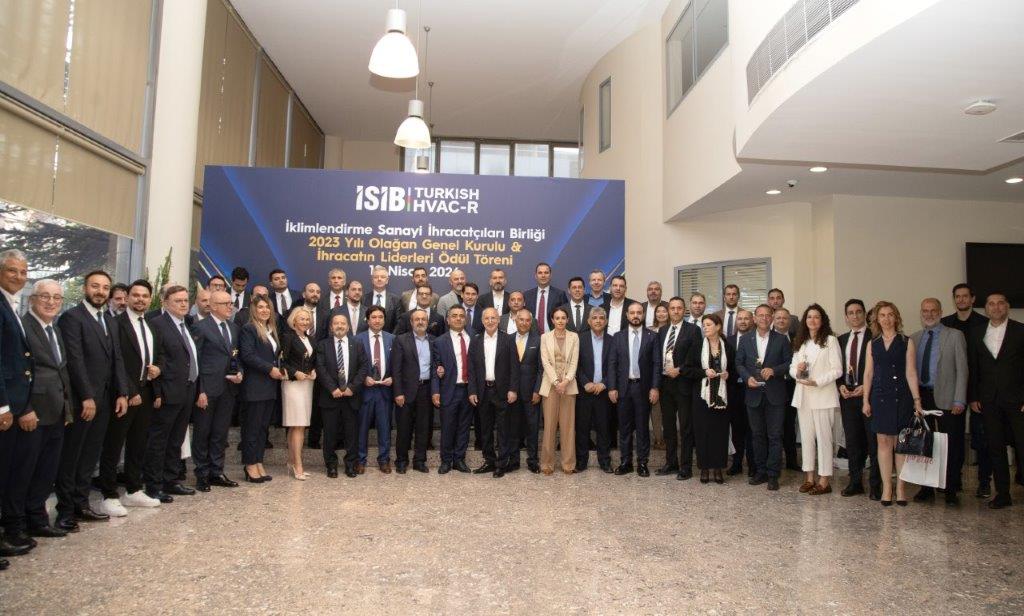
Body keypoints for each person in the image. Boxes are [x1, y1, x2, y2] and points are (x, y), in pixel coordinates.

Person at [55, 270, 129, 529]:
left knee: (89, 456)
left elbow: (116, 358)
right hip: (82, 402)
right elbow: (74, 361)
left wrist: (122, 392)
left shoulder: (108, 320)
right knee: (72, 456)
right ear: (85, 288)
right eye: (95, 286)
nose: (100, 291)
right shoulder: (72, 318)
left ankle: (81, 503)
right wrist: (86, 396)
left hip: (106, 400)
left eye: (105, 287)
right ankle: (65, 511)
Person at [3, 279, 72, 555]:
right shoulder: (23, 327)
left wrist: (67, 408)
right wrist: (25, 408)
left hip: (56, 412)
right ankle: (15, 526)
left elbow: (61, 370)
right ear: (32, 299)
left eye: (56, 298)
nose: (51, 302)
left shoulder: (55, 328)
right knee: (22, 473)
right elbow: (19, 372)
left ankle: (37, 519)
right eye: (45, 296)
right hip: (32, 413)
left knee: (45, 471)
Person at [98, 280, 163, 514]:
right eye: (136, 295)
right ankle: (108, 494)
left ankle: (133, 490)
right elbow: (115, 361)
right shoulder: (116, 324)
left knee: (138, 443)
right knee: (114, 444)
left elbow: (159, 355)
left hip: (147, 392)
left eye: (145, 296)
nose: (140, 299)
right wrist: (129, 391)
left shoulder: (151, 325)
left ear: (150, 299)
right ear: (127, 298)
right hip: (123, 395)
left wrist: (158, 369)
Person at [862, 301, 924, 507]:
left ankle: (901, 488)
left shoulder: (906, 342)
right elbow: (868, 374)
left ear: (896, 317)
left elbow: (911, 372)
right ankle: (887, 487)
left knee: (900, 444)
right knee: (883, 443)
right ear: (877, 319)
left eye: (890, 315)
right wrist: (865, 400)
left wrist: (917, 400)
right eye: (882, 315)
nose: (886, 319)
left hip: (902, 397)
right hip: (879, 397)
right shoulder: (873, 344)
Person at [967, 292, 1024, 509]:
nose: (996, 307)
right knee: (995, 447)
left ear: (1007, 306)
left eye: (1000, 303)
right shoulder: (976, 332)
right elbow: (973, 367)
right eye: (991, 304)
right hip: (988, 401)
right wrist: (973, 397)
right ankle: (1002, 494)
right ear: (986, 308)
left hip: (1017, 400)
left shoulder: (1020, 331)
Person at [910, 297, 968, 505]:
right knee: (925, 444)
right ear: (921, 313)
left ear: (941, 312)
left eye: (933, 310)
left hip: (948, 398)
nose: (929, 314)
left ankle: (950, 489)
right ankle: (926, 488)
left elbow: (962, 369)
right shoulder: (914, 338)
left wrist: (960, 399)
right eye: (925, 311)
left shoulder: (955, 335)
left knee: (951, 445)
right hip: (922, 398)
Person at [144, 285, 199, 501]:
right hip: (168, 390)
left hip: (187, 389)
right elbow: (156, 359)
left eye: (186, 300)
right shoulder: (157, 324)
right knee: (160, 440)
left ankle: (171, 480)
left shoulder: (187, 323)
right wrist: (157, 393)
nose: (183, 304)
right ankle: (154, 485)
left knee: (176, 440)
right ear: (165, 303)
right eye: (178, 301)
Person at [941, 283, 992, 499]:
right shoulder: (945, 323)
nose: (961, 300)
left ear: (972, 299)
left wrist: (976, 395)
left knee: (982, 438)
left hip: (978, 390)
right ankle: (955, 479)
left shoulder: (985, 323)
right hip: (952, 391)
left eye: (965, 296)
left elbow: (987, 361)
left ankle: (984, 482)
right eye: (957, 296)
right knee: (954, 438)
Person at [736, 304, 793, 491]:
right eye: (760, 315)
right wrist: (747, 378)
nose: (764, 318)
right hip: (753, 394)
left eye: (768, 315)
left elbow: (789, 363)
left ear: (772, 318)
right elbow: (739, 363)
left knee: (775, 436)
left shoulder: (781, 339)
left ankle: (773, 474)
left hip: (775, 395)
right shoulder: (745, 339)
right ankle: (760, 471)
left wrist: (774, 370)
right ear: (754, 318)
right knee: (757, 435)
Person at [0, 250, 34, 566]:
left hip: (17, 404)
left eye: (23, 272)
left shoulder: (10, 305)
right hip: (4, 408)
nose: (19, 277)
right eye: (12, 271)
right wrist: (3, 407)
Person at [790, 304, 843, 495]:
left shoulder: (830, 340)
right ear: (805, 320)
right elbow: (792, 367)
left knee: (824, 439)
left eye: (816, 317)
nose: (812, 320)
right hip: (804, 396)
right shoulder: (801, 342)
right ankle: (809, 478)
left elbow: (837, 370)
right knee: (806, 439)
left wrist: (817, 382)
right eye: (809, 317)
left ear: (822, 320)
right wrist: (797, 372)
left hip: (823, 395)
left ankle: (824, 480)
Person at [191, 289, 241, 491]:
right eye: (225, 304)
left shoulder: (233, 328)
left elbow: (235, 356)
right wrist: (200, 390)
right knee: (203, 432)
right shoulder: (200, 327)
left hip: (228, 389)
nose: (230, 307)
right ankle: (202, 474)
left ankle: (217, 471)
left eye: (230, 303)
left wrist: (240, 372)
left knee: (220, 433)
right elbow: (195, 361)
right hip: (207, 389)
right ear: (212, 306)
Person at [681, 313, 735, 484]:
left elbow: (735, 370)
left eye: (709, 325)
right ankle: (704, 468)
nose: (705, 328)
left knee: (720, 433)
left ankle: (718, 468)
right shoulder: (697, 346)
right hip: (701, 396)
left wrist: (728, 375)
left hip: (721, 396)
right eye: (703, 325)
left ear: (718, 327)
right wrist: (704, 372)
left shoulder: (728, 346)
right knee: (702, 432)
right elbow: (686, 370)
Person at [608, 302, 661, 477]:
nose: (636, 316)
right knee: (624, 427)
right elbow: (612, 364)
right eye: (632, 313)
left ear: (643, 315)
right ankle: (626, 462)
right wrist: (612, 387)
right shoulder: (618, 337)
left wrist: (655, 387)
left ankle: (643, 463)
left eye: (639, 312)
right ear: (627, 315)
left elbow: (656, 364)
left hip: (643, 388)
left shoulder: (652, 336)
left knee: (642, 428)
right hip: (623, 388)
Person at [238, 294, 285, 483]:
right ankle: (249, 464)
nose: (264, 310)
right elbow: (248, 355)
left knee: (262, 428)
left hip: (269, 387)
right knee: (252, 428)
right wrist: (270, 369)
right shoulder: (249, 329)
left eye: (267, 307)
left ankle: (258, 461)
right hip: (254, 386)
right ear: (254, 309)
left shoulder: (271, 330)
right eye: (260, 307)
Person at [837, 299, 881, 500]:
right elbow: (837, 368)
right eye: (850, 313)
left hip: (869, 397)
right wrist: (840, 385)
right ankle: (855, 482)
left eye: (858, 312)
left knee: (874, 443)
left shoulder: (876, 337)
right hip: (848, 397)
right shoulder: (841, 340)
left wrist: (867, 386)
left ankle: (876, 485)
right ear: (846, 317)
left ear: (864, 314)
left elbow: (880, 368)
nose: (854, 316)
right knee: (853, 442)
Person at [468, 307, 520, 477]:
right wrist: (472, 390)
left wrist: (513, 389)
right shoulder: (475, 340)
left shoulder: (508, 339)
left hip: (502, 391)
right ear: (482, 321)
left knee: (504, 429)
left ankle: (502, 463)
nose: (490, 321)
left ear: (498, 320)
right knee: (485, 429)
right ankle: (489, 461)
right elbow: (471, 369)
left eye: (493, 318)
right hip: (483, 391)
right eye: (487, 318)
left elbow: (514, 367)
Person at [315, 314, 367, 478]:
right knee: (330, 434)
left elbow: (363, 367)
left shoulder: (357, 344)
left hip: (351, 397)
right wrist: (332, 388)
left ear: (348, 327)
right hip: (330, 397)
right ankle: (331, 465)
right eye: (336, 323)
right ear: (331, 327)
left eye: (343, 323)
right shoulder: (323, 345)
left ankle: (350, 465)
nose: (339, 326)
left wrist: (352, 387)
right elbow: (320, 368)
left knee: (352, 434)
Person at [656, 297, 700, 479]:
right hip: (665, 385)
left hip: (684, 384)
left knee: (686, 427)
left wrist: (680, 369)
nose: (675, 311)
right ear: (668, 311)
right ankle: (671, 463)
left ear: (684, 310)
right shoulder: (662, 330)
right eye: (672, 308)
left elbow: (695, 357)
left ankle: (686, 467)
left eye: (679, 308)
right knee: (668, 427)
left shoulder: (693, 330)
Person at [390, 309, 435, 473]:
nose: (420, 322)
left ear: (427, 322)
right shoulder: (401, 340)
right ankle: (401, 461)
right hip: (406, 391)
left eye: (423, 319)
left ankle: (419, 461)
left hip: (426, 389)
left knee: (423, 428)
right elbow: (396, 369)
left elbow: (436, 365)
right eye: (417, 319)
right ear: (411, 322)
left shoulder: (434, 341)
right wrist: (398, 392)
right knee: (404, 428)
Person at [432, 306, 474, 474]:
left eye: (461, 316)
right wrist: (435, 391)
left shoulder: (474, 338)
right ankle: (446, 460)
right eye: (454, 316)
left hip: (469, 390)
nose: (458, 318)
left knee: (464, 427)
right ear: (448, 320)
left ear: (466, 319)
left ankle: (459, 459)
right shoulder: (439, 342)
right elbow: (435, 369)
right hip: (449, 389)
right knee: (448, 427)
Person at [538, 307, 578, 475]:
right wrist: (556, 382)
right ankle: (547, 464)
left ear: (567, 320)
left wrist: (566, 381)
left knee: (568, 427)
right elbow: (545, 362)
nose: (560, 321)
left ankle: (568, 464)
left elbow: (574, 362)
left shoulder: (574, 337)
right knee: (549, 426)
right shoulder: (544, 337)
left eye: (563, 318)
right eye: (557, 318)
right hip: (550, 386)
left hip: (569, 386)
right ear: (552, 320)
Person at [356, 306, 394, 474]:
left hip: (385, 391)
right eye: (374, 317)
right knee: (362, 427)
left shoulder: (392, 339)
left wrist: (393, 378)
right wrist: (363, 378)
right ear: (368, 320)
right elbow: (353, 365)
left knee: (385, 427)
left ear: (384, 320)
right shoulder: (357, 339)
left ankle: (384, 460)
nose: (377, 320)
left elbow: (398, 364)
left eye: (380, 317)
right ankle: (360, 460)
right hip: (365, 390)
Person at [280, 307, 317, 480]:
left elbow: (312, 360)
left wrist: (314, 371)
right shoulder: (288, 337)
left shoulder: (310, 339)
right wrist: (295, 373)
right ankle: (298, 465)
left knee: (298, 425)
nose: (305, 322)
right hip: (293, 385)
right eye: (301, 319)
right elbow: (282, 362)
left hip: (307, 384)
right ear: (294, 320)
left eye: (307, 319)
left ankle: (291, 461)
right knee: (297, 424)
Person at [575, 307, 614, 473]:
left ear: (606, 321)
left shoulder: (612, 340)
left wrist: (604, 383)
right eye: (595, 318)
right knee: (582, 428)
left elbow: (615, 366)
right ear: (589, 321)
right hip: (584, 391)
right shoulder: (580, 339)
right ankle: (581, 462)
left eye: (601, 318)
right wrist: (585, 383)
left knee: (603, 428)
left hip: (603, 392)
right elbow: (575, 365)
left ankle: (604, 461)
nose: (598, 321)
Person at [511, 310, 544, 472]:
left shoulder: (538, 340)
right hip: (512, 393)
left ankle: (532, 461)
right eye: (521, 320)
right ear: (515, 321)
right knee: (513, 428)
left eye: (527, 320)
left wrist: (537, 390)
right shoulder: (508, 339)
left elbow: (541, 369)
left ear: (531, 323)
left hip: (531, 393)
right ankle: (513, 460)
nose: (524, 323)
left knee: (532, 428)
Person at [726, 309, 754, 476]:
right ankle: (736, 463)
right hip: (733, 390)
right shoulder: (728, 340)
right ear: (736, 322)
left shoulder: (755, 339)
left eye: (746, 319)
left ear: (752, 321)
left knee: (752, 429)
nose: (743, 322)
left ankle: (752, 465)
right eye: (740, 319)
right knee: (736, 429)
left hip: (752, 389)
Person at [774, 307, 800, 472]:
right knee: (775, 426)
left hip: (792, 386)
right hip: (775, 386)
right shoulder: (769, 338)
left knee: (790, 424)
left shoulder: (798, 339)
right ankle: (775, 461)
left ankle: (791, 461)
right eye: (778, 318)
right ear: (773, 320)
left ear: (790, 321)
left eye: (785, 318)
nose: (782, 321)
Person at [523, 262, 568, 335]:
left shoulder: (560, 294)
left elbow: (565, 316)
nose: (543, 275)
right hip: (531, 336)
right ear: (536, 276)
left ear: (550, 275)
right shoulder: (527, 295)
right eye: (540, 273)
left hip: (553, 336)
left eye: (546, 273)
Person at [648, 303, 670, 450]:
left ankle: (669, 437)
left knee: (667, 409)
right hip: (652, 373)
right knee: (655, 408)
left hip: (668, 375)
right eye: (658, 311)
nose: (661, 314)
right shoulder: (649, 330)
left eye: (664, 311)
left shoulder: (672, 330)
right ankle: (658, 438)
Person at [363, 265, 402, 333]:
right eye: (376, 277)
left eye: (382, 277)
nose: (379, 279)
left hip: (389, 338)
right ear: (372, 280)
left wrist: (391, 337)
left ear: (387, 280)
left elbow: (398, 324)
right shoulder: (363, 299)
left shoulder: (396, 300)